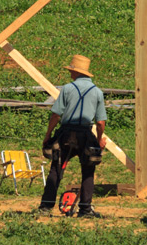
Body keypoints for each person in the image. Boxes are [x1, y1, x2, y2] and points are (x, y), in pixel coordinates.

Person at [39, 55, 107, 218]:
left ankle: (45, 207)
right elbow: (100, 122)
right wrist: (98, 140)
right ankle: (85, 209)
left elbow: (56, 115)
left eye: (71, 70)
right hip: (85, 133)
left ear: (75, 72)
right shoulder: (97, 92)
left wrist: (48, 135)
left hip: (66, 133)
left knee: (56, 169)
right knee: (88, 170)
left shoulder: (67, 89)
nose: (70, 73)